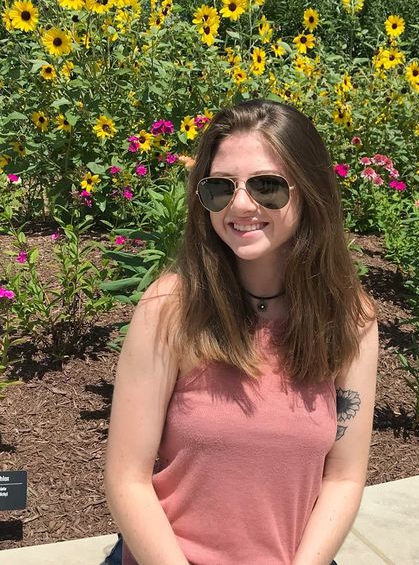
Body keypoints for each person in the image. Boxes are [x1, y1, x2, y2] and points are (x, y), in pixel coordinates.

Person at [104, 99, 378, 565]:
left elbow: (343, 477)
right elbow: (127, 479)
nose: (242, 204)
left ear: (310, 191)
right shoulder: (170, 309)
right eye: (220, 187)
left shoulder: (349, 319)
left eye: (267, 186)